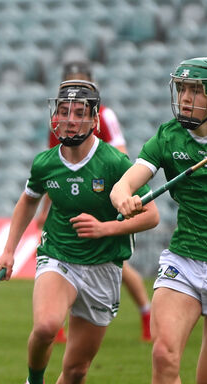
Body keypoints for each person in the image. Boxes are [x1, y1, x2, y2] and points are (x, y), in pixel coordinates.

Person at [0, 80, 159, 384]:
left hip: (103, 269)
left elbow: (151, 216)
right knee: (46, 326)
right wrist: (7, 251)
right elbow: (27, 203)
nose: (69, 121)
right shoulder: (46, 162)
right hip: (59, 257)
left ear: (94, 120)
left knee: (77, 369)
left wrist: (108, 227)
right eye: (63, 112)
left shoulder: (115, 163)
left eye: (79, 113)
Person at [111, 57, 207, 384]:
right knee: (163, 353)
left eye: (196, 90)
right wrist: (124, 196)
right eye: (182, 89)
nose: (187, 98)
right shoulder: (169, 136)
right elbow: (131, 179)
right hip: (184, 261)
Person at [39, 59, 152, 343]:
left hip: (104, 197)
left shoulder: (104, 115)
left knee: (118, 266)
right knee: (59, 258)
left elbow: (121, 153)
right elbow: (56, 169)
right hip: (73, 198)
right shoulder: (59, 120)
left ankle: (146, 312)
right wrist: (45, 207)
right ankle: (57, 325)